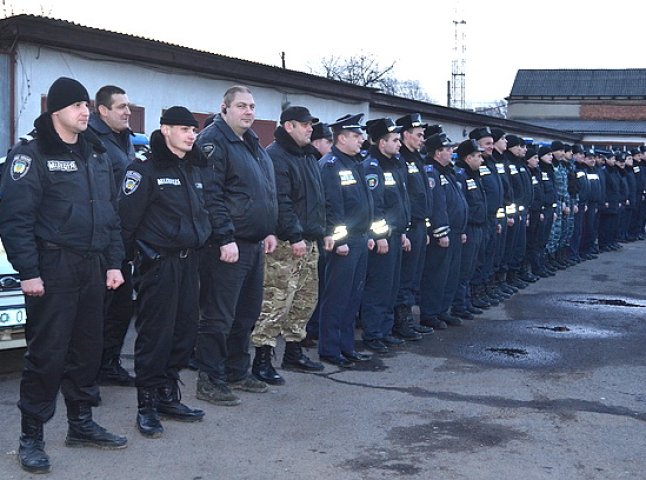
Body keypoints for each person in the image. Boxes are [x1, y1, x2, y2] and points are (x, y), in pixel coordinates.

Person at [0, 77, 127, 474]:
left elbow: (110, 214)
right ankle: (31, 436)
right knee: (46, 355)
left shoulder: (96, 152)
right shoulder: (31, 155)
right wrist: (29, 273)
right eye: (76, 106)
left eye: (86, 105)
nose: (85, 111)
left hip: (92, 266)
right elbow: (15, 220)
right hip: (52, 268)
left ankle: (81, 424)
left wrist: (113, 262)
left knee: (87, 349)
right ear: (56, 112)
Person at [119, 106, 211, 437]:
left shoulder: (193, 167)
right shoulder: (144, 168)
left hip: (189, 263)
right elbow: (125, 222)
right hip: (158, 265)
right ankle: (146, 406)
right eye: (185, 129)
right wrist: (127, 263)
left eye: (194, 130)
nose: (191, 135)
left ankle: (167, 395)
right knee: (155, 336)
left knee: (184, 333)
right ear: (166, 130)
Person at [194, 86, 278, 406]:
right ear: (224, 108)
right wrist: (225, 237)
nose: (248, 111)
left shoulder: (251, 143)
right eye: (241, 105)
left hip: (254, 244)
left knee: (246, 313)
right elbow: (210, 196)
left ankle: (236, 371)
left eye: (252, 106)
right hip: (226, 246)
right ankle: (210, 379)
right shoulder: (214, 142)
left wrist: (268, 230)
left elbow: (263, 192)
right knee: (218, 316)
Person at [250, 106, 327, 386]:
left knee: (305, 299)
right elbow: (280, 201)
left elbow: (316, 200)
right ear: (289, 126)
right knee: (276, 301)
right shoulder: (275, 156)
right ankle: (262, 359)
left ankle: (293, 351)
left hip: (309, 240)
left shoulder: (307, 156)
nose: (310, 129)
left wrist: (321, 232)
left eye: (311, 125)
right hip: (286, 243)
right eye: (305, 125)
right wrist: (294, 236)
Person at [88, 85, 137, 387]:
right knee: (97, 312)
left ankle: (108, 364)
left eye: (128, 106)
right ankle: (88, 373)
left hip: (125, 239)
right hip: (102, 241)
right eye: (121, 107)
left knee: (121, 309)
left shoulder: (124, 139)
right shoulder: (93, 140)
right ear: (103, 110)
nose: (128, 112)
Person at [318, 113, 373, 368]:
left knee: (353, 296)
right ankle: (330, 348)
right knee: (337, 296)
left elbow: (364, 204)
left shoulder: (354, 163)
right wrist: (339, 241)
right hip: (345, 242)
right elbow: (332, 207)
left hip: (360, 239)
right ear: (341, 138)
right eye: (355, 135)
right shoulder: (331, 165)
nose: (361, 139)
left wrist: (369, 235)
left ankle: (346, 345)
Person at [360, 117, 418, 354]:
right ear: (381, 143)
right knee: (378, 287)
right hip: (383, 238)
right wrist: (381, 235)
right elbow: (376, 207)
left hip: (396, 235)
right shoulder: (374, 166)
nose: (399, 144)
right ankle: (373, 334)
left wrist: (402, 232)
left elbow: (400, 203)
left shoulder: (395, 163)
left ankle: (384, 330)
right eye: (394, 140)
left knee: (391, 286)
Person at [418, 132, 468, 329]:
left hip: (455, 231)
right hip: (442, 234)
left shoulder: (448, 171)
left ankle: (442, 310)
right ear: (437, 152)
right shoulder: (432, 171)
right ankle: (429, 313)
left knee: (450, 274)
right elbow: (437, 205)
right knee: (436, 275)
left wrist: (461, 229)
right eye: (447, 149)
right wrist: (440, 231)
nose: (451, 152)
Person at [394, 114, 434, 334]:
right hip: (408, 225)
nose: (422, 139)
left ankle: (408, 317)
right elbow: (402, 197)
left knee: (414, 275)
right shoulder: (400, 159)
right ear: (406, 135)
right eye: (418, 135)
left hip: (419, 224)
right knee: (405, 275)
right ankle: (401, 320)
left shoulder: (418, 158)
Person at [303, 121, 334, 348]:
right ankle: (307, 328)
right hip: (305, 235)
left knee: (317, 284)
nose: (331, 146)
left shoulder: (316, 162)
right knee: (307, 285)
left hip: (318, 232)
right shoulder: (317, 164)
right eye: (328, 141)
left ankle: (311, 327)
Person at [452, 139, 487, 318]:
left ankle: (466, 301)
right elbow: (461, 205)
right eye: (478, 156)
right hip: (469, 228)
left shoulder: (473, 174)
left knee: (472, 266)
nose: (482, 160)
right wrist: (463, 229)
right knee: (463, 269)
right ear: (468, 157)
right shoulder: (461, 175)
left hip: (478, 226)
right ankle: (459, 305)